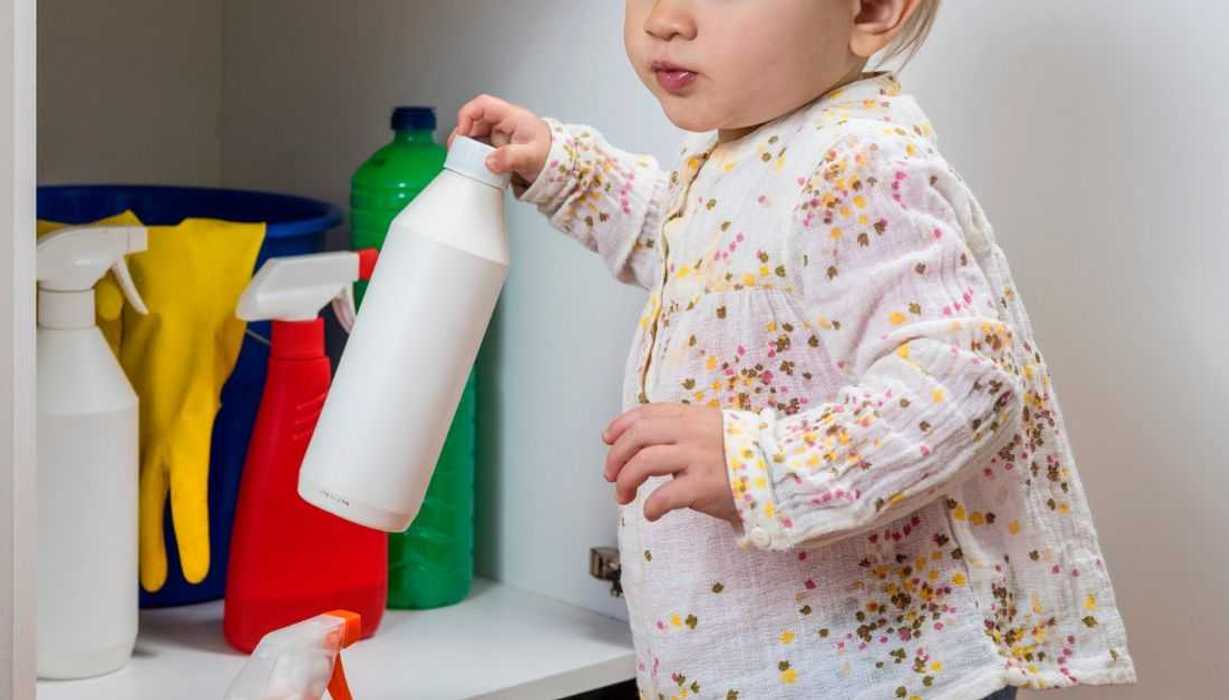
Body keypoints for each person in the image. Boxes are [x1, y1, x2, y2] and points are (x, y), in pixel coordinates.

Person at [452, 1, 1135, 697]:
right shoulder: (753, 150)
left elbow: (962, 384)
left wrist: (765, 466)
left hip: (876, 674)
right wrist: (569, 169)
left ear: (869, 9)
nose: (664, 19)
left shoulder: (855, 163)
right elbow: (704, 254)